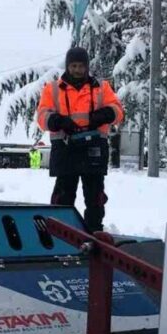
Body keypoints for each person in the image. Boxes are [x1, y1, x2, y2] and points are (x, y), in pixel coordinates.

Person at [36, 46, 124, 232]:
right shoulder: (52, 90)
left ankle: (94, 233)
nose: (77, 70)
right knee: (63, 196)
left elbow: (118, 111)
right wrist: (56, 120)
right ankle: (61, 232)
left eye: (81, 66)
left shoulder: (101, 87)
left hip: (94, 149)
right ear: (68, 66)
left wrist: (105, 114)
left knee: (95, 198)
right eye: (74, 66)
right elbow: (42, 116)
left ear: (87, 66)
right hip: (65, 149)